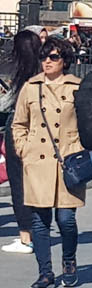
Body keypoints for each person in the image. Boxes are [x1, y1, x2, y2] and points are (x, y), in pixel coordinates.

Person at [12, 37, 86, 288]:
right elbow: (18, 123)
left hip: (68, 161)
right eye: (44, 57)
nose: (47, 61)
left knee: (66, 219)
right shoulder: (31, 87)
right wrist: (24, 149)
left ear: (64, 60)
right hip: (38, 162)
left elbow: (89, 123)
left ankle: (69, 261)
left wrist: (81, 150)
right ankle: (45, 272)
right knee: (40, 221)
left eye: (53, 57)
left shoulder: (77, 87)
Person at [1, 30, 42, 255]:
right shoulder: (43, 71)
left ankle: (25, 237)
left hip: (17, 128)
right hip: (40, 131)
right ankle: (38, 231)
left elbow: (5, 104)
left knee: (19, 184)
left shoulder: (16, 72)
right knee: (35, 182)